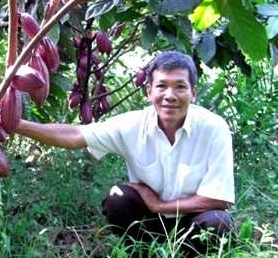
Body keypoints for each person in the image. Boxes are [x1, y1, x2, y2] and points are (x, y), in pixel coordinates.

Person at [15, 51, 235, 256]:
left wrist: (159, 205)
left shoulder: (214, 128)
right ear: (149, 92)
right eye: (161, 86)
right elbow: (74, 135)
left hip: (192, 223)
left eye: (180, 87)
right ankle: (140, 253)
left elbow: (219, 199)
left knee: (219, 221)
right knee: (118, 200)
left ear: (193, 93)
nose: (170, 95)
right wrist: (14, 123)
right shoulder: (132, 125)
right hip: (148, 222)